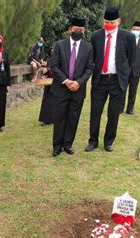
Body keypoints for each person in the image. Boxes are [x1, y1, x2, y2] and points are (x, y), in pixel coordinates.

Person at [85, 7, 136, 153]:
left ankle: (108, 142)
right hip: (100, 80)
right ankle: (93, 141)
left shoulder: (128, 37)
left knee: (113, 113)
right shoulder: (96, 36)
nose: (109, 24)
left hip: (117, 80)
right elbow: (92, 58)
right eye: (106, 22)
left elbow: (131, 59)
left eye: (112, 22)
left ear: (118, 21)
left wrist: (124, 76)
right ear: (103, 21)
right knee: (95, 112)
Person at [49, 17, 93, 156]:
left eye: (80, 30)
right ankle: (57, 145)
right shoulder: (60, 45)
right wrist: (66, 81)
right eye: (75, 30)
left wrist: (78, 82)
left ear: (84, 30)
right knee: (59, 118)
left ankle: (68, 144)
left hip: (78, 90)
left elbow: (89, 69)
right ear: (70, 30)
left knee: (73, 118)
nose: (78, 32)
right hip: (61, 88)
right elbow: (54, 66)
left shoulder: (88, 48)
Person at [123, 21, 140, 115]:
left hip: (136, 71)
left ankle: (130, 109)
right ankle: (120, 108)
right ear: (131, 30)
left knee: (133, 92)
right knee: (122, 90)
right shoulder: (126, 41)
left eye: (137, 30)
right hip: (125, 70)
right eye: (134, 29)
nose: (135, 31)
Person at [38, 48, 55, 126]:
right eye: (51, 49)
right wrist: (45, 71)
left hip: (56, 83)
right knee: (46, 102)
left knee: (55, 102)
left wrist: (49, 70)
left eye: (54, 49)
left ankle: (54, 119)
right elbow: (47, 70)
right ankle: (45, 119)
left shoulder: (61, 60)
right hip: (48, 84)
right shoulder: (50, 60)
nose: (52, 51)